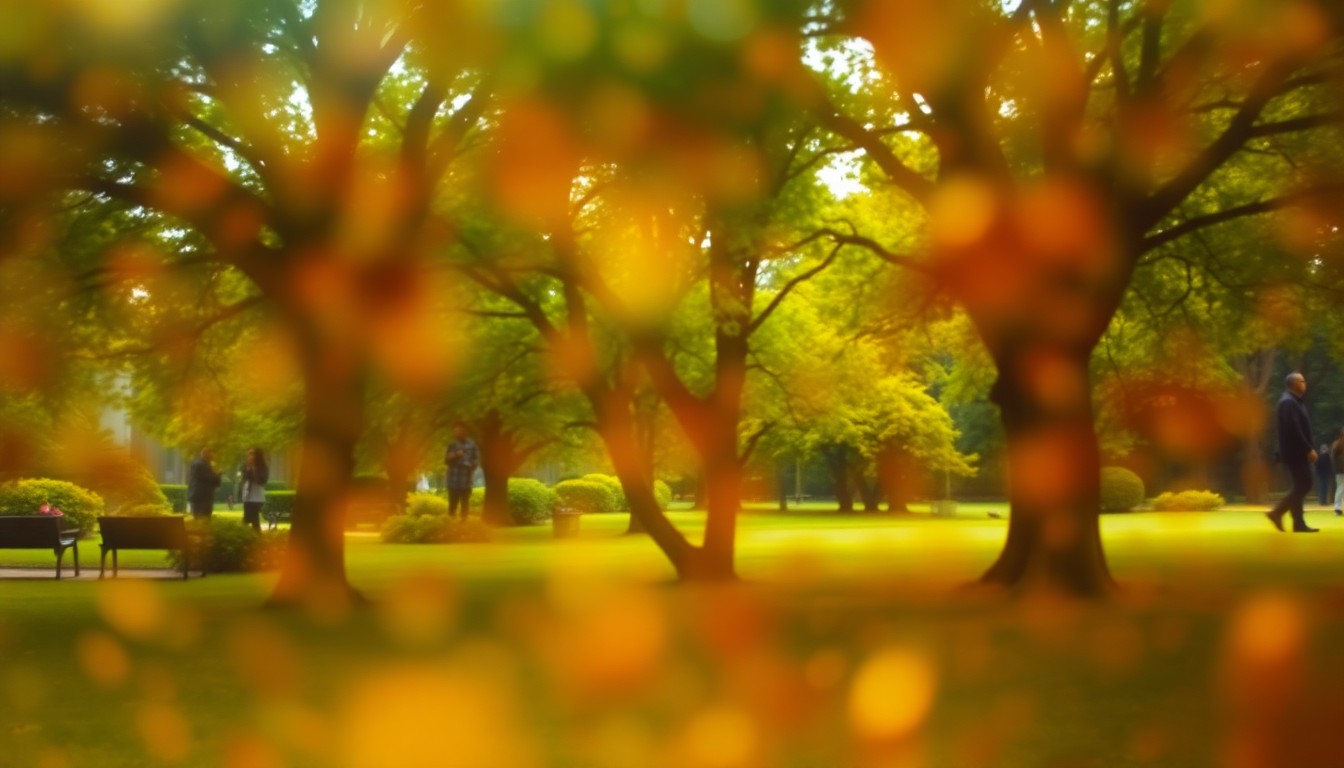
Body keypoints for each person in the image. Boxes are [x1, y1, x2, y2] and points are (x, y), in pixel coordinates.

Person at [1266, 372, 1319, 533]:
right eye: (1302, 381)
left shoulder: (1294, 401)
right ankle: (1277, 512)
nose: (1304, 383)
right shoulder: (1289, 402)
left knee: (1299, 485)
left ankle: (1298, 523)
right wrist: (1307, 449)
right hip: (1295, 452)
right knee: (1305, 484)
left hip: (1295, 451)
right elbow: (1293, 429)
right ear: (1294, 383)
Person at [444, 422, 479, 519]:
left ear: (465, 432)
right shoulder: (452, 445)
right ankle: (451, 525)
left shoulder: (472, 445)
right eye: (456, 431)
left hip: (466, 481)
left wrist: (470, 465)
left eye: (460, 431)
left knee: (465, 505)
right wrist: (455, 455)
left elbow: (476, 461)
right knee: (452, 506)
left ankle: (464, 524)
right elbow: (446, 460)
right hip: (453, 481)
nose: (457, 433)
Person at [187, 447, 222, 519]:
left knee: (199, 517)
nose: (213, 457)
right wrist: (217, 475)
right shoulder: (202, 465)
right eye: (211, 455)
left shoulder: (197, 463)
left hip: (197, 495)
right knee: (203, 517)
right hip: (202, 497)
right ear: (207, 455)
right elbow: (207, 477)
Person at [240, 447, 269, 532]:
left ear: (257, 456)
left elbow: (261, 481)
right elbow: (244, 478)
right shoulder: (246, 466)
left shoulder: (262, 467)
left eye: (252, 453)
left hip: (256, 498)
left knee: (252, 520)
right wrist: (248, 468)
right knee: (250, 520)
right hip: (247, 497)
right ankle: (253, 536)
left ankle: (254, 536)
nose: (249, 455)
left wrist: (253, 469)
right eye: (249, 453)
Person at [1332, 428, 1344, 516]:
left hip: (1339, 470)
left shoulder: (1336, 444)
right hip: (1341, 470)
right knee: (1341, 488)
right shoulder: (1338, 445)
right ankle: (1337, 507)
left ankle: (1338, 507)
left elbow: (1333, 458)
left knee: (1340, 488)